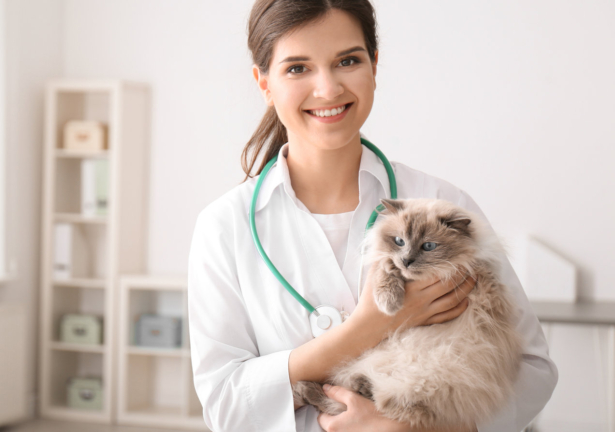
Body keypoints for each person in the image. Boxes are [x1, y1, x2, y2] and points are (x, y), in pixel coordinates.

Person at [186, 1, 558, 431]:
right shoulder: (224, 227)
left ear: (374, 65)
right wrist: (369, 327)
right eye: (297, 68)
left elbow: (534, 371)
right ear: (263, 82)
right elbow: (224, 406)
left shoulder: (440, 202)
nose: (327, 89)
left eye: (347, 60)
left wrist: (415, 429)